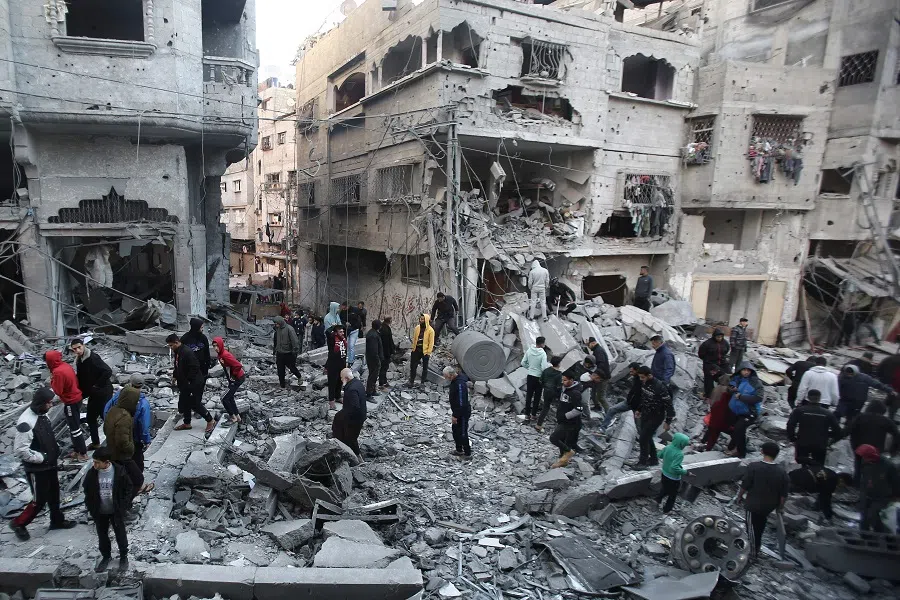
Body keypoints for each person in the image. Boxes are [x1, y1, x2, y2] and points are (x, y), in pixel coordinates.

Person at [10, 387, 76, 540]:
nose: (51, 406)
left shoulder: (42, 414)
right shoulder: (26, 423)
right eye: (48, 403)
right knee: (39, 500)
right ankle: (19, 523)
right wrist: (42, 458)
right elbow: (21, 450)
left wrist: (55, 451)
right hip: (37, 468)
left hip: (50, 464)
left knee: (54, 493)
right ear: (41, 404)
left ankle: (57, 520)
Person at [84, 446, 132, 573]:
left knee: (120, 533)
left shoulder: (119, 472)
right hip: (100, 511)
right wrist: (90, 507)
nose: (94, 464)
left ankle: (123, 557)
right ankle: (106, 556)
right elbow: (87, 490)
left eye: (97, 462)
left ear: (106, 462)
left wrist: (123, 506)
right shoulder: (92, 473)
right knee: (102, 535)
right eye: (94, 462)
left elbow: (128, 488)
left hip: (116, 510)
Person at [738, 442, 790, 558]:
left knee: (751, 527)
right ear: (776, 455)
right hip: (769, 506)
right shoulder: (782, 473)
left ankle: (752, 553)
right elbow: (783, 495)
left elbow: (745, 485)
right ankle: (756, 547)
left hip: (753, 503)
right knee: (760, 526)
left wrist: (739, 496)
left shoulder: (754, 467)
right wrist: (780, 508)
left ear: (762, 452)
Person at [103, 375, 151, 475]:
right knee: (135, 462)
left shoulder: (119, 397)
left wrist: (110, 428)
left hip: (113, 438)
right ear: (142, 385)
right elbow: (144, 425)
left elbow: (106, 411)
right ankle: (137, 484)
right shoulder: (142, 404)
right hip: (133, 439)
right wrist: (146, 440)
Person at [70, 339, 113, 451]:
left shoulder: (93, 358)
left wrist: (97, 385)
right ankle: (96, 443)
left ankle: (113, 443)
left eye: (79, 347)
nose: (77, 350)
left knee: (106, 418)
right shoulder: (80, 360)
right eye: (75, 349)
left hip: (103, 392)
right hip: (93, 393)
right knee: (91, 418)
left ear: (83, 346)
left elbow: (107, 371)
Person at [168, 334, 215, 434]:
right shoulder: (177, 352)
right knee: (185, 401)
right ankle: (187, 423)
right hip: (184, 382)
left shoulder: (187, 352)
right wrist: (175, 376)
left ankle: (210, 420)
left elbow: (195, 367)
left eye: (171, 345)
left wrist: (189, 381)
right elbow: (177, 366)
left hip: (194, 383)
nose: (170, 348)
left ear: (177, 342)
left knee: (195, 403)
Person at [103, 383, 145, 495]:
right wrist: (131, 448)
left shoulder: (113, 410)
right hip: (122, 455)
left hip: (112, 451)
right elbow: (122, 440)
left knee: (121, 479)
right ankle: (125, 503)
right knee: (138, 479)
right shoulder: (125, 416)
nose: (137, 403)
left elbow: (105, 429)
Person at [45, 349, 87, 461]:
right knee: (72, 425)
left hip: (70, 401)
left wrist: (52, 380)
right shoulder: (65, 365)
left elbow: (58, 391)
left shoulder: (57, 372)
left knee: (74, 428)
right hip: (76, 397)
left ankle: (82, 453)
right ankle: (77, 450)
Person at [846, 400, 898, 486]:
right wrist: (893, 449)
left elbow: (847, 430)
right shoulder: (885, 420)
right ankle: (871, 487)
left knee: (858, 468)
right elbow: (896, 434)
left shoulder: (860, 417)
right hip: (876, 449)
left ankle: (856, 486)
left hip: (859, 448)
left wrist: (833, 440)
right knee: (874, 469)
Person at [786, 389, 842, 466]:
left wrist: (792, 438)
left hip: (802, 442)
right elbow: (838, 431)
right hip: (820, 444)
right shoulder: (828, 413)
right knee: (818, 467)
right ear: (820, 398)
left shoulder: (800, 411)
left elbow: (790, 425)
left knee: (801, 465)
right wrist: (828, 436)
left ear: (808, 397)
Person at [635, 366, 675, 467]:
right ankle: (653, 460)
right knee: (647, 437)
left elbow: (669, 405)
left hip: (656, 416)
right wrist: (639, 409)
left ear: (649, 375)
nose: (641, 379)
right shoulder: (644, 383)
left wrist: (668, 421)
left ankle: (642, 462)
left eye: (643, 377)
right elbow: (644, 398)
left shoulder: (660, 387)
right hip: (645, 414)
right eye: (640, 377)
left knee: (643, 438)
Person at [856, 444, 899, 532]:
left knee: (873, 515)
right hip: (868, 494)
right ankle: (865, 537)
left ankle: (882, 534)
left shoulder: (888, 466)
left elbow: (896, 483)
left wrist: (896, 496)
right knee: (863, 515)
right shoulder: (864, 464)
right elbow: (863, 479)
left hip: (883, 497)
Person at [725, 361, 763, 458]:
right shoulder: (737, 379)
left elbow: (758, 398)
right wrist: (731, 389)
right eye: (744, 370)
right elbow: (729, 388)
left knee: (739, 430)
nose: (746, 372)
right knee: (736, 429)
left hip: (749, 412)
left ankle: (741, 453)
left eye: (748, 370)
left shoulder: (755, 383)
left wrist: (741, 397)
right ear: (740, 370)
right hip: (735, 410)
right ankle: (732, 446)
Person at [550, 374, 583, 468]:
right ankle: (562, 460)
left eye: (565, 380)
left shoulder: (575, 393)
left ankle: (569, 452)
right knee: (563, 441)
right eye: (562, 380)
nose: (562, 382)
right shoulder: (565, 389)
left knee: (554, 438)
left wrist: (565, 416)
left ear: (572, 380)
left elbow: (579, 409)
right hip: (563, 421)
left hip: (570, 423)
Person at [332, 369, 367, 458]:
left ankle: (357, 457)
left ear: (346, 378)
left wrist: (346, 416)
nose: (341, 380)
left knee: (350, 438)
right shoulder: (357, 383)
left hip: (354, 418)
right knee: (339, 421)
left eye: (342, 378)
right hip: (360, 414)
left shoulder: (351, 389)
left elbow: (355, 406)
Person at [599, 362, 642, 432]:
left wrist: (639, 409)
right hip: (628, 402)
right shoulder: (635, 379)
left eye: (632, 371)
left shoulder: (642, 381)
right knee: (612, 410)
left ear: (636, 370)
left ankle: (645, 440)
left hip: (637, 407)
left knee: (639, 426)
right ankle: (602, 428)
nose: (630, 373)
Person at [214, 337, 246, 424]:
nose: (215, 348)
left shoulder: (225, 355)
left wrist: (233, 376)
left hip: (237, 378)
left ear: (221, 345)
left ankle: (233, 418)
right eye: (214, 346)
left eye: (217, 346)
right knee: (230, 397)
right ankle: (237, 417)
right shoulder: (220, 355)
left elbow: (238, 365)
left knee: (224, 398)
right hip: (235, 379)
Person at [656, 433, 690, 514]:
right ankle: (666, 510)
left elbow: (659, 455)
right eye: (684, 444)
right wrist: (686, 472)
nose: (684, 446)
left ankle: (657, 500)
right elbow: (674, 467)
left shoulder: (667, 447)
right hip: (673, 478)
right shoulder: (679, 454)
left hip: (664, 474)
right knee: (672, 495)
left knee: (664, 488)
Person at [703, 373, 736, 451]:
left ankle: (704, 441)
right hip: (721, 412)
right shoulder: (726, 391)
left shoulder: (717, 387)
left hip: (714, 408)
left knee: (711, 428)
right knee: (716, 431)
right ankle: (731, 447)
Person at [444, 366, 472, 459]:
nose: (446, 378)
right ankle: (459, 449)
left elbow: (461, 402)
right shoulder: (455, 381)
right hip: (456, 411)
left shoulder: (460, 384)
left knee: (463, 432)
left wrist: (455, 415)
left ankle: (467, 453)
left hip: (462, 412)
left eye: (446, 376)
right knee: (455, 430)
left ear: (451, 375)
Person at [521, 337, 550, 422]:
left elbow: (523, 363)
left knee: (529, 395)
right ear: (542, 344)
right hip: (539, 377)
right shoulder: (543, 354)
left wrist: (530, 368)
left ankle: (527, 414)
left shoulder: (529, 350)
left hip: (530, 376)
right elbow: (544, 367)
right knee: (537, 397)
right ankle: (533, 415)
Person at [698, 329, 730, 399]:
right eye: (718, 337)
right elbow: (701, 354)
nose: (719, 338)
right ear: (714, 336)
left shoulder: (725, 343)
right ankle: (709, 395)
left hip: (721, 362)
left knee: (727, 376)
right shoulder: (707, 343)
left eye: (721, 337)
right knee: (709, 379)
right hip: (709, 363)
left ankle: (724, 393)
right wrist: (708, 360)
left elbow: (726, 350)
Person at [536, 356, 564, 432]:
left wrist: (545, 386)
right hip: (553, 392)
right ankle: (559, 426)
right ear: (558, 364)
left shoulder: (546, 370)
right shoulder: (559, 374)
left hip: (546, 391)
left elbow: (541, 380)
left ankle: (539, 424)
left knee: (546, 407)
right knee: (557, 408)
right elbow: (559, 386)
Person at [273, 316, 302, 389]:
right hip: (279, 353)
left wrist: (295, 351)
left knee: (292, 368)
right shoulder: (277, 330)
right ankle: (282, 385)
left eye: (277, 324)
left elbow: (295, 341)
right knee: (280, 370)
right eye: (275, 324)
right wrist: (275, 350)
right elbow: (276, 341)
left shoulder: (289, 329)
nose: (276, 325)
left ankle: (299, 376)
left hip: (288, 353)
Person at [325, 326, 348, 410]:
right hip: (333, 364)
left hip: (342, 364)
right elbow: (327, 331)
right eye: (340, 332)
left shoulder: (343, 340)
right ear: (335, 333)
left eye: (343, 331)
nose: (342, 333)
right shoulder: (332, 340)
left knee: (340, 381)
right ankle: (331, 400)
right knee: (332, 382)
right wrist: (334, 326)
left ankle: (338, 396)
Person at [409, 314, 435, 387]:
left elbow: (431, 343)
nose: (421, 320)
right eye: (420, 319)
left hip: (425, 351)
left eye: (422, 319)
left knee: (425, 368)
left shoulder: (430, 330)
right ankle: (411, 381)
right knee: (413, 366)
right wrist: (413, 349)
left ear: (426, 320)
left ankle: (422, 383)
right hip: (416, 350)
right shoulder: (417, 328)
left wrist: (428, 353)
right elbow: (414, 339)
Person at [587, 338, 611, 409]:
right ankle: (597, 406)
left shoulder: (598, 351)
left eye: (589, 344)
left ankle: (610, 414)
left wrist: (595, 375)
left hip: (603, 377)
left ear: (593, 343)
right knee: (593, 393)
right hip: (600, 375)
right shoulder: (597, 350)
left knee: (601, 397)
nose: (588, 346)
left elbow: (601, 364)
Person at [875, 352, 900, 418]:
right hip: (895, 386)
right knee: (895, 404)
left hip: (889, 383)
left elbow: (880, 366)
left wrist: (879, 376)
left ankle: (878, 412)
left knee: (890, 398)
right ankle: (889, 418)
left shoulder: (891, 358)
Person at [364, 321, 384, 397]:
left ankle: (373, 390)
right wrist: (377, 359)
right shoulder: (373, 335)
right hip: (373, 359)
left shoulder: (373, 333)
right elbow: (374, 350)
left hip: (372, 358)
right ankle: (369, 394)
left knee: (374, 376)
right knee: (372, 376)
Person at [378, 316, 396, 389]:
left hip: (384, 352)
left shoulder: (384, 327)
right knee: (384, 367)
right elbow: (387, 343)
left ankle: (384, 382)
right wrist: (390, 352)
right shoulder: (385, 329)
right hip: (385, 352)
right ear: (390, 320)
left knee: (384, 367)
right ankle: (381, 383)